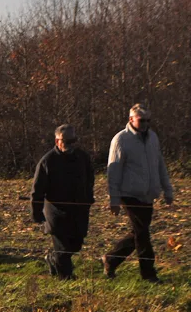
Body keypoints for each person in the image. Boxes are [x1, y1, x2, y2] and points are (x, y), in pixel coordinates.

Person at [103, 104, 175, 282]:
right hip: (130, 194)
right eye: (142, 120)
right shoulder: (121, 140)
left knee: (138, 232)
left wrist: (167, 189)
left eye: (148, 120)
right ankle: (148, 274)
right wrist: (114, 198)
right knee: (142, 233)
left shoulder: (152, 138)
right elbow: (113, 172)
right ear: (131, 120)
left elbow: (159, 164)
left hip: (148, 194)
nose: (145, 124)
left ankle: (111, 259)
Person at [30, 124, 95, 279]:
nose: (71, 145)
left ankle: (52, 259)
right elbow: (37, 190)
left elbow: (90, 179)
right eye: (67, 141)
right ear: (57, 141)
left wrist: (88, 198)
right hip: (56, 212)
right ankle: (65, 279)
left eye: (73, 140)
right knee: (63, 247)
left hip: (78, 210)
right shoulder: (47, 161)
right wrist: (36, 213)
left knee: (76, 244)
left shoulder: (82, 157)